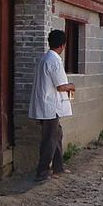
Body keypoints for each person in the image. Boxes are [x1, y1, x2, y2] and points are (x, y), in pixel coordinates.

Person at [29, 29, 76, 181]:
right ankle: (42, 172)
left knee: (57, 135)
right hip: (50, 107)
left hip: (47, 106)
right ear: (62, 45)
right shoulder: (54, 60)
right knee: (50, 139)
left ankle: (58, 167)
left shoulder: (45, 58)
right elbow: (61, 86)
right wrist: (72, 85)